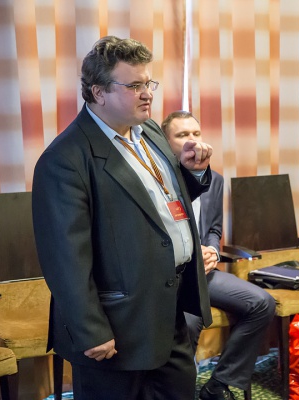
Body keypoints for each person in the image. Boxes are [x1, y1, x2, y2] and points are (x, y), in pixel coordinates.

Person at [31, 36, 215, 400]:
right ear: (98, 92)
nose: (147, 94)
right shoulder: (65, 159)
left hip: (168, 310)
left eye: (148, 83)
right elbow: (65, 258)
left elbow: (159, 205)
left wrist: (193, 173)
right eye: (133, 86)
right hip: (116, 324)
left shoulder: (150, 132)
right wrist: (91, 330)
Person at [161, 110, 276, 400]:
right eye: (182, 135)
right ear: (166, 142)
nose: (192, 140)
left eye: (195, 133)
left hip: (206, 275)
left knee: (262, 304)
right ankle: (177, 392)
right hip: (172, 278)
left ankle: (220, 383)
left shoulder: (215, 180)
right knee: (187, 323)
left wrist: (212, 251)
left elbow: (213, 229)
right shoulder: (158, 183)